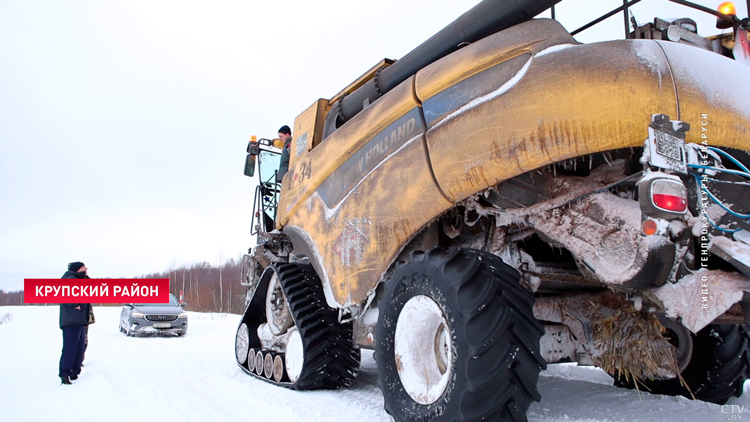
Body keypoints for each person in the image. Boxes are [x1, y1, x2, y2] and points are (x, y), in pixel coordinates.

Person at [58, 262, 92, 385]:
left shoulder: (80, 279)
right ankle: (65, 374)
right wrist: (75, 304)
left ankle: (74, 372)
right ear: (78, 269)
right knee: (70, 349)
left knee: (79, 348)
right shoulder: (69, 279)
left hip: (80, 320)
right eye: (84, 267)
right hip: (70, 320)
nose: (86, 269)